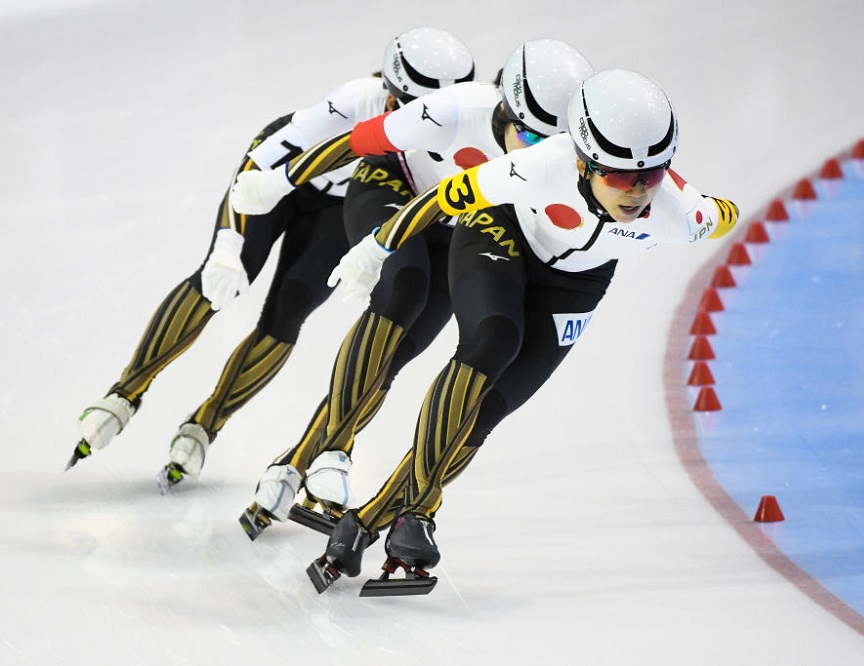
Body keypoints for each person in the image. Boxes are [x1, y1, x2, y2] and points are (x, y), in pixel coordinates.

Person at [303, 68, 740, 593]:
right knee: (493, 339)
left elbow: (723, 216)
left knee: (486, 413)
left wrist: (705, 204)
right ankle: (418, 512)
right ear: (581, 160)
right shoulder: (539, 166)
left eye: (651, 175)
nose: (638, 191)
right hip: (500, 233)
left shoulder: (677, 211)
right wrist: (376, 246)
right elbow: (442, 199)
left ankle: (367, 521)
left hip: (577, 284)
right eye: (620, 176)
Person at [67, 28, 476, 491]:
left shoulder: (456, 128)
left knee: (288, 312)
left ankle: (206, 424)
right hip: (280, 183)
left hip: (342, 209)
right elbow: (264, 156)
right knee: (221, 279)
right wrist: (226, 246)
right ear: (393, 94)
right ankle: (125, 392)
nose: (428, 124)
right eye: (417, 111)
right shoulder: (357, 99)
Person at [229, 39, 595, 539]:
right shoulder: (455, 110)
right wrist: (282, 180)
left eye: (557, 146)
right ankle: (336, 448)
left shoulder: (557, 157)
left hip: (453, 224)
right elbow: (359, 141)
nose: (542, 157)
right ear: (507, 110)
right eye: (532, 138)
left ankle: (293, 463)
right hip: (391, 187)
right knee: (404, 288)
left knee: (396, 354)